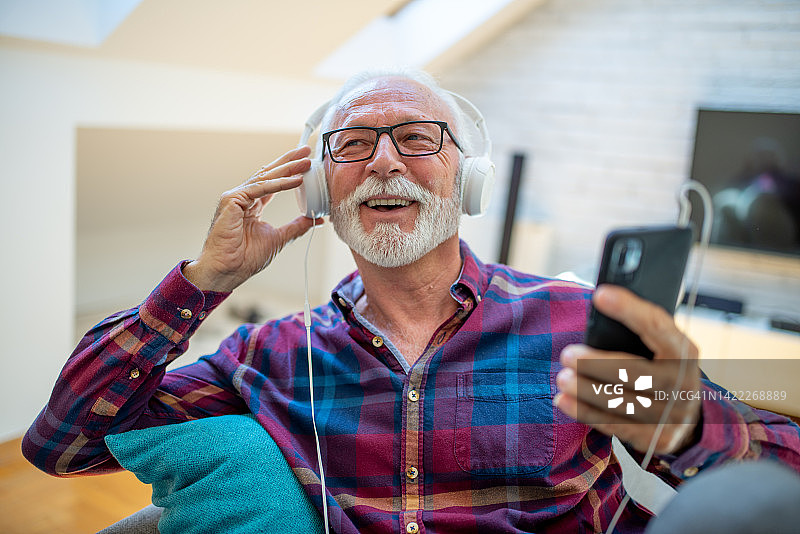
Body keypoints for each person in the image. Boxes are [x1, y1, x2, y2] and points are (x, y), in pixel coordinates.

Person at [23, 68, 800, 533]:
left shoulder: (573, 329)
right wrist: (203, 281)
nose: (384, 161)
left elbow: (781, 471)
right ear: (321, 189)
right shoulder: (271, 357)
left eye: (419, 138)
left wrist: (689, 419)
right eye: (353, 144)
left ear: (468, 181)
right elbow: (61, 445)